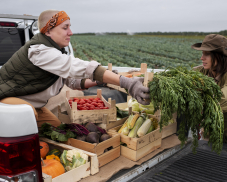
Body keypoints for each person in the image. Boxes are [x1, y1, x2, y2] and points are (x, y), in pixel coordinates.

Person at [0, 10, 150, 129]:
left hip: (32, 104)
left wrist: (100, 81)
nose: (70, 32)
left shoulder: (55, 51)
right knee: (26, 116)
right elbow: (75, 66)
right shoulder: (39, 51)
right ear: (48, 32)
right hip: (8, 101)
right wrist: (127, 83)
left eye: (70, 27)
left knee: (56, 129)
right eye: (65, 28)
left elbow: (70, 81)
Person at [192, 34, 227, 147]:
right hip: (212, 132)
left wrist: (192, 100)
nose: (202, 58)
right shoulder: (207, 70)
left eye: (207, 54)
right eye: (202, 53)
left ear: (219, 56)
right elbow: (183, 77)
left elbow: (222, 99)